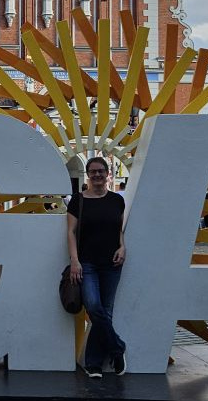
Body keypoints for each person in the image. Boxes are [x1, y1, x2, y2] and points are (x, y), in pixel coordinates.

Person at [67, 157, 127, 378]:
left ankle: (93, 364)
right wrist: (75, 260)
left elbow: (119, 229)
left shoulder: (116, 201)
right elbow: (71, 232)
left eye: (101, 171)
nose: (97, 175)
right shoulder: (78, 200)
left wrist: (123, 247)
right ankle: (117, 347)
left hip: (112, 263)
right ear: (88, 174)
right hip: (87, 263)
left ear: (107, 173)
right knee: (93, 307)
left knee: (106, 312)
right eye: (93, 172)